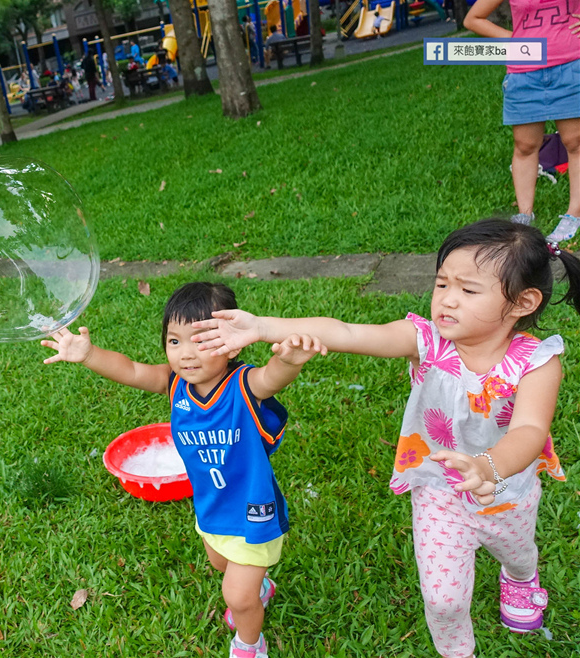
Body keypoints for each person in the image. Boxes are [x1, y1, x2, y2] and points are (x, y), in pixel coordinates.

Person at [191, 219, 580, 658]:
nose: (447, 300)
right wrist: (263, 326)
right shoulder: (427, 341)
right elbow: (347, 331)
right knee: (443, 599)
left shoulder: (538, 362)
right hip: (439, 489)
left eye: (469, 291)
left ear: (523, 302)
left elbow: (530, 430)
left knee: (518, 550)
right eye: (441, 284)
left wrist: (488, 465)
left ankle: (521, 578)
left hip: (509, 488)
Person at [42, 282, 321, 658]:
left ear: (233, 343)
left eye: (201, 340)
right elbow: (132, 370)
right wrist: (89, 354)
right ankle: (260, 588)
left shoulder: (244, 386)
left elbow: (272, 378)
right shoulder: (175, 386)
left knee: (236, 597)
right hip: (211, 508)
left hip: (254, 512)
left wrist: (288, 360)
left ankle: (250, 644)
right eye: (174, 341)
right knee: (220, 563)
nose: (186, 354)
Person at [465, 0, 580, 243]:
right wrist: (517, 41)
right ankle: (524, 217)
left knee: (575, 143)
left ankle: (574, 214)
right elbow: (474, 18)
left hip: (572, 66)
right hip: (525, 74)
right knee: (525, 145)